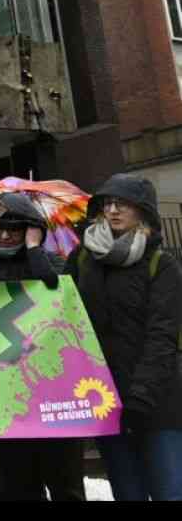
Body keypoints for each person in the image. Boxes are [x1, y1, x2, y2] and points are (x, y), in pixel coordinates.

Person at [66, 174, 182, 501]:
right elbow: (62, 317)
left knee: (169, 492)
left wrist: (141, 396)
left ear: (143, 212)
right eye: (107, 204)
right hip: (105, 399)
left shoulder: (162, 264)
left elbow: (163, 334)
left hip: (158, 404)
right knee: (127, 492)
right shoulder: (82, 258)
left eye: (124, 205)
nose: (113, 211)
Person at [0, 193, 86, 501]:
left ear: (32, 229)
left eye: (14, 228)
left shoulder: (53, 262)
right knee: (14, 490)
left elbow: (59, 292)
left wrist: (34, 250)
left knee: (67, 487)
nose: (4, 235)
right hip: (1, 398)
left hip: (54, 394)